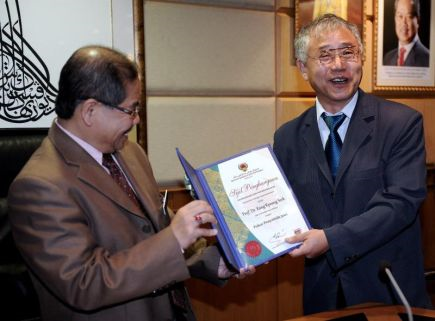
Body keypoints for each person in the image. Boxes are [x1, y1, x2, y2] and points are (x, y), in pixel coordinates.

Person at [7, 45, 254, 321]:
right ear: (90, 111)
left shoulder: (129, 152)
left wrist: (213, 263)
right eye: (131, 109)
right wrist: (174, 238)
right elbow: (85, 283)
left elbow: (151, 236)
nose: (136, 120)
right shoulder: (39, 186)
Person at [274, 14, 431, 314]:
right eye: (325, 55)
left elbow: (400, 204)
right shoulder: (288, 137)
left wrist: (330, 240)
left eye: (348, 52)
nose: (338, 65)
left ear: (361, 59)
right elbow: (280, 209)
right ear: (303, 68)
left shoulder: (401, 123)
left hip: (386, 291)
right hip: (323, 296)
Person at [383, 0, 429, 67]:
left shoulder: (427, 59)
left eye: (409, 17)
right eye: (400, 16)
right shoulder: (387, 58)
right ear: (395, 18)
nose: (403, 23)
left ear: (418, 21)